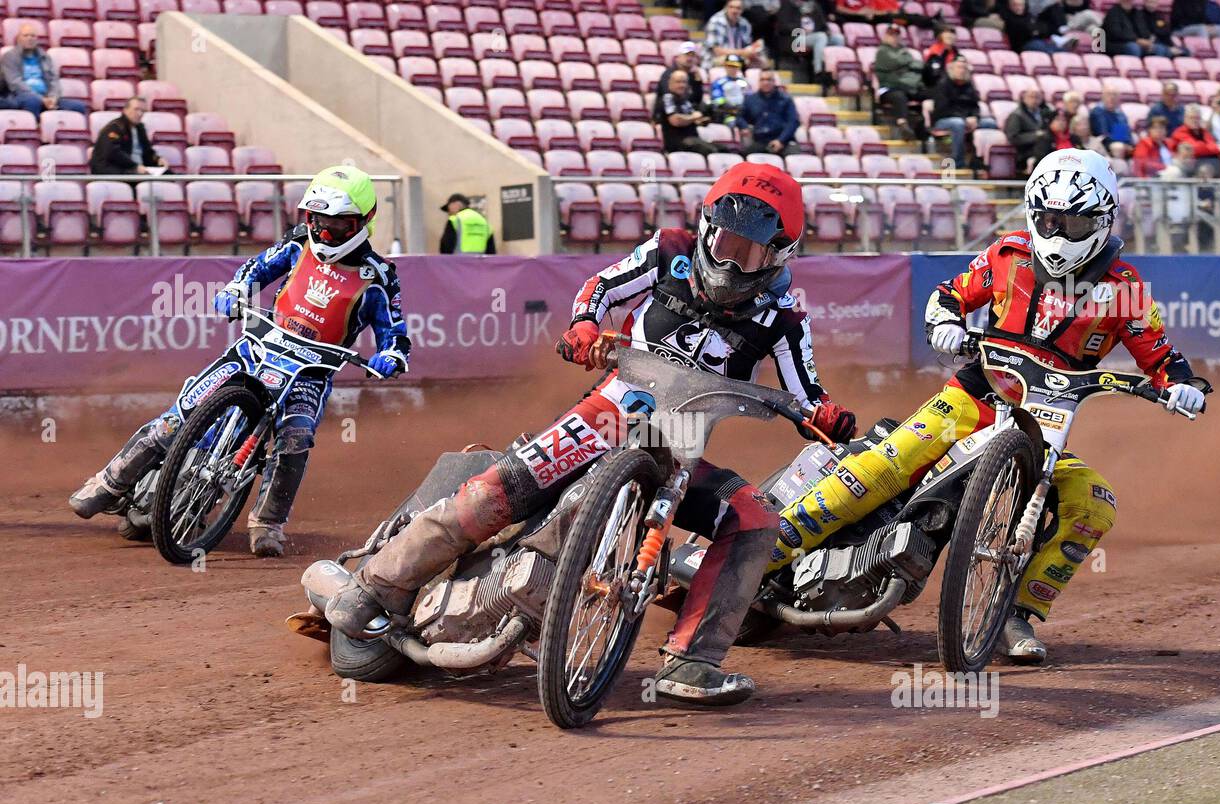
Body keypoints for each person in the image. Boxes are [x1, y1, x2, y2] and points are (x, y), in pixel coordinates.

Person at [323, 163, 858, 705]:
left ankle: (693, 661)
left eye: (747, 252)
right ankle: (376, 586)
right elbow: (601, 288)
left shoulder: (785, 318)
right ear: (704, 226)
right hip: (612, 411)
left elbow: (807, 393)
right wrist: (582, 324)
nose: (727, 259)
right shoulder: (667, 250)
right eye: (721, 240)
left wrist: (827, 416)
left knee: (753, 517)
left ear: (780, 254)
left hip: (680, 447)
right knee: (500, 488)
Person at [766, 149, 1207, 664]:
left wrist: (1182, 385)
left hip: (1044, 428)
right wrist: (947, 324)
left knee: (1094, 502)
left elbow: (1163, 356)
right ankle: (768, 547)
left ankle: (1014, 612)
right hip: (972, 398)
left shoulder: (1125, 289)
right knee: (892, 459)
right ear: (1031, 212)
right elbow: (949, 295)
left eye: (1074, 221)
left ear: (1103, 219)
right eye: (1048, 219)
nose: (1059, 233)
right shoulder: (1008, 254)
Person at [69, 166, 409, 557]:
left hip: (311, 373)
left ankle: (267, 524)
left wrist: (391, 355)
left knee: (294, 439)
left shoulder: (378, 276)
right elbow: (256, 268)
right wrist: (235, 289)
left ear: (364, 221)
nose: (324, 233)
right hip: (256, 347)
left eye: (337, 225)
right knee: (180, 413)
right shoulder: (299, 243)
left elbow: (395, 332)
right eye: (318, 221)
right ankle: (108, 483)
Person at [0, 22, 88, 117]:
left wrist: (53, 97)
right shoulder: (10, 57)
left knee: (78, 106)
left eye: (33, 36)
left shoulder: (45, 57)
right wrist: (41, 99)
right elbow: (15, 83)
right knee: (33, 101)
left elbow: (54, 80)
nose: (29, 38)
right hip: (21, 96)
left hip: (47, 97)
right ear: (18, 38)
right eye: (25, 36)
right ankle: (35, 129)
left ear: (37, 39)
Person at [930, 59, 996, 169]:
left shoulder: (969, 85)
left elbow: (975, 106)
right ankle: (958, 161)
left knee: (990, 123)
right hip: (943, 120)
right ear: (951, 69)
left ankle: (979, 159)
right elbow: (943, 109)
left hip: (966, 119)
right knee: (958, 124)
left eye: (964, 68)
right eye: (959, 67)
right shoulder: (943, 85)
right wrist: (965, 119)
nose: (962, 71)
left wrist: (975, 117)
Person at [89, 96, 168, 175]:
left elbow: (147, 151)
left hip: (137, 170)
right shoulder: (114, 128)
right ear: (125, 110)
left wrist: (157, 159)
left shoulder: (140, 129)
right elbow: (114, 153)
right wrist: (134, 166)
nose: (140, 114)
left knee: (169, 175)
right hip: (115, 170)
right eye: (136, 109)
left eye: (143, 111)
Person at [873, 24, 924, 140]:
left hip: (905, 86)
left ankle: (926, 125)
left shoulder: (903, 49)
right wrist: (903, 61)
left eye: (896, 35)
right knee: (899, 96)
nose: (894, 37)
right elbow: (894, 62)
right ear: (885, 36)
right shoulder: (882, 51)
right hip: (887, 88)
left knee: (927, 93)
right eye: (891, 35)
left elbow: (915, 63)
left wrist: (903, 62)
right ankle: (903, 125)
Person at [736, 69, 801, 155]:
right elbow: (740, 117)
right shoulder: (751, 100)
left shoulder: (786, 100)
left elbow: (793, 122)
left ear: (774, 82)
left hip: (784, 141)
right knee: (744, 157)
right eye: (762, 80)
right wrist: (743, 126)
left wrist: (780, 140)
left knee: (794, 159)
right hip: (761, 141)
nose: (765, 82)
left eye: (768, 80)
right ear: (759, 82)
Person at [660, 69, 723, 155]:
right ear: (670, 83)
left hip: (692, 140)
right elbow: (675, 121)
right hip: (678, 142)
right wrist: (695, 117)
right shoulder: (668, 98)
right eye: (678, 82)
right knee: (710, 151)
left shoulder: (685, 101)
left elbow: (695, 120)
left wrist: (704, 119)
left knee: (724, 149)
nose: (682, 85)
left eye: (684, 82)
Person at [1005, 87, 1056, 174]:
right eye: (1031, 97)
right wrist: (1036, 136)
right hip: (1025, 151)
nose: (1034, 100)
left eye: (1037, 97)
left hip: (1045, 147)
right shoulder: (1016, 115)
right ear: (1024, 99)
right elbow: (1013, 138)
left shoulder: (1046, 113)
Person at [1102, 0, 1178, 57]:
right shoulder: (1113, 12)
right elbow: (1116, 33)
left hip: (1137, 43)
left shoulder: (1136, 13)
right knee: (1134, 48)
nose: (1129, 2)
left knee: (1158, 48)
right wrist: (1136, 40)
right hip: (1116, 44)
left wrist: (1147, 40)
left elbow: (1143, 30)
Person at [1169, 104, 1220, 176]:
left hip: (1207, 161)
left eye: (1197, 118)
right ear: (1185, 118)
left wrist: (1211, 148)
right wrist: (1217, 148)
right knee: (1205, 170)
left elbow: (1211, 144)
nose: (1195, 120)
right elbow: (1195, 148)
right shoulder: (1179, 132)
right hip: (1187, 163)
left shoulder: (1203, 132)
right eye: (1191, 118)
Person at [705, 0, 766, 68]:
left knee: (762, 62)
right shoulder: (716, 21)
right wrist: (742, 52)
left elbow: (746, 46)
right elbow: (717, 51)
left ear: (742, 10)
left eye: (738, 8)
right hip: (716, 60)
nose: (734, 11)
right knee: (732, 61)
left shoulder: (744, 23)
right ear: (726, 8)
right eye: (731, 7)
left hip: (739, 58)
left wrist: (754, 48)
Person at [656, 41, 708, 108]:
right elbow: (668, 98)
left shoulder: (693, 75)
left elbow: (697, 100)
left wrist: (698, 82)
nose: (689, 58)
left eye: (692, 55)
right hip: (670, 113)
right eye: (686, 54)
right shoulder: (668, 74)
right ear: (678, 57)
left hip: (688, 112)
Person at [1088, 87, 1134, 158]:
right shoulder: (1098, 112)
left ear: (1118, 99)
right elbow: (1103, 135)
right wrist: (1123, 145)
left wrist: (1129, 145)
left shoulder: (1120, 115)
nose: (1112, 97)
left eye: (1114, 95)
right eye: (1108, 94)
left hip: (1121, 146)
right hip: (1103, 146)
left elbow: (1125, 134)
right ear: (1103, 97)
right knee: (1118, 147)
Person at [710, 53, 751, 128]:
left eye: (735, 66)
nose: (732, 68)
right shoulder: (719, 82)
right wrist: (730, 108)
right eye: (729, 66)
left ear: (739, 67)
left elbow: (750, 97)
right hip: (727, 113)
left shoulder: (744, 82)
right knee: (732, 122)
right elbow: (718, 100)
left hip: (744, 112)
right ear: (725, 66)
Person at [920, 26, 958, 92]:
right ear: (941, 36)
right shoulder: (934, 51)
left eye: (952, 33)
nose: (950, 36)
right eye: (947, 33)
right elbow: (933, 73)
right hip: (935, 85)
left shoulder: (956, 52)